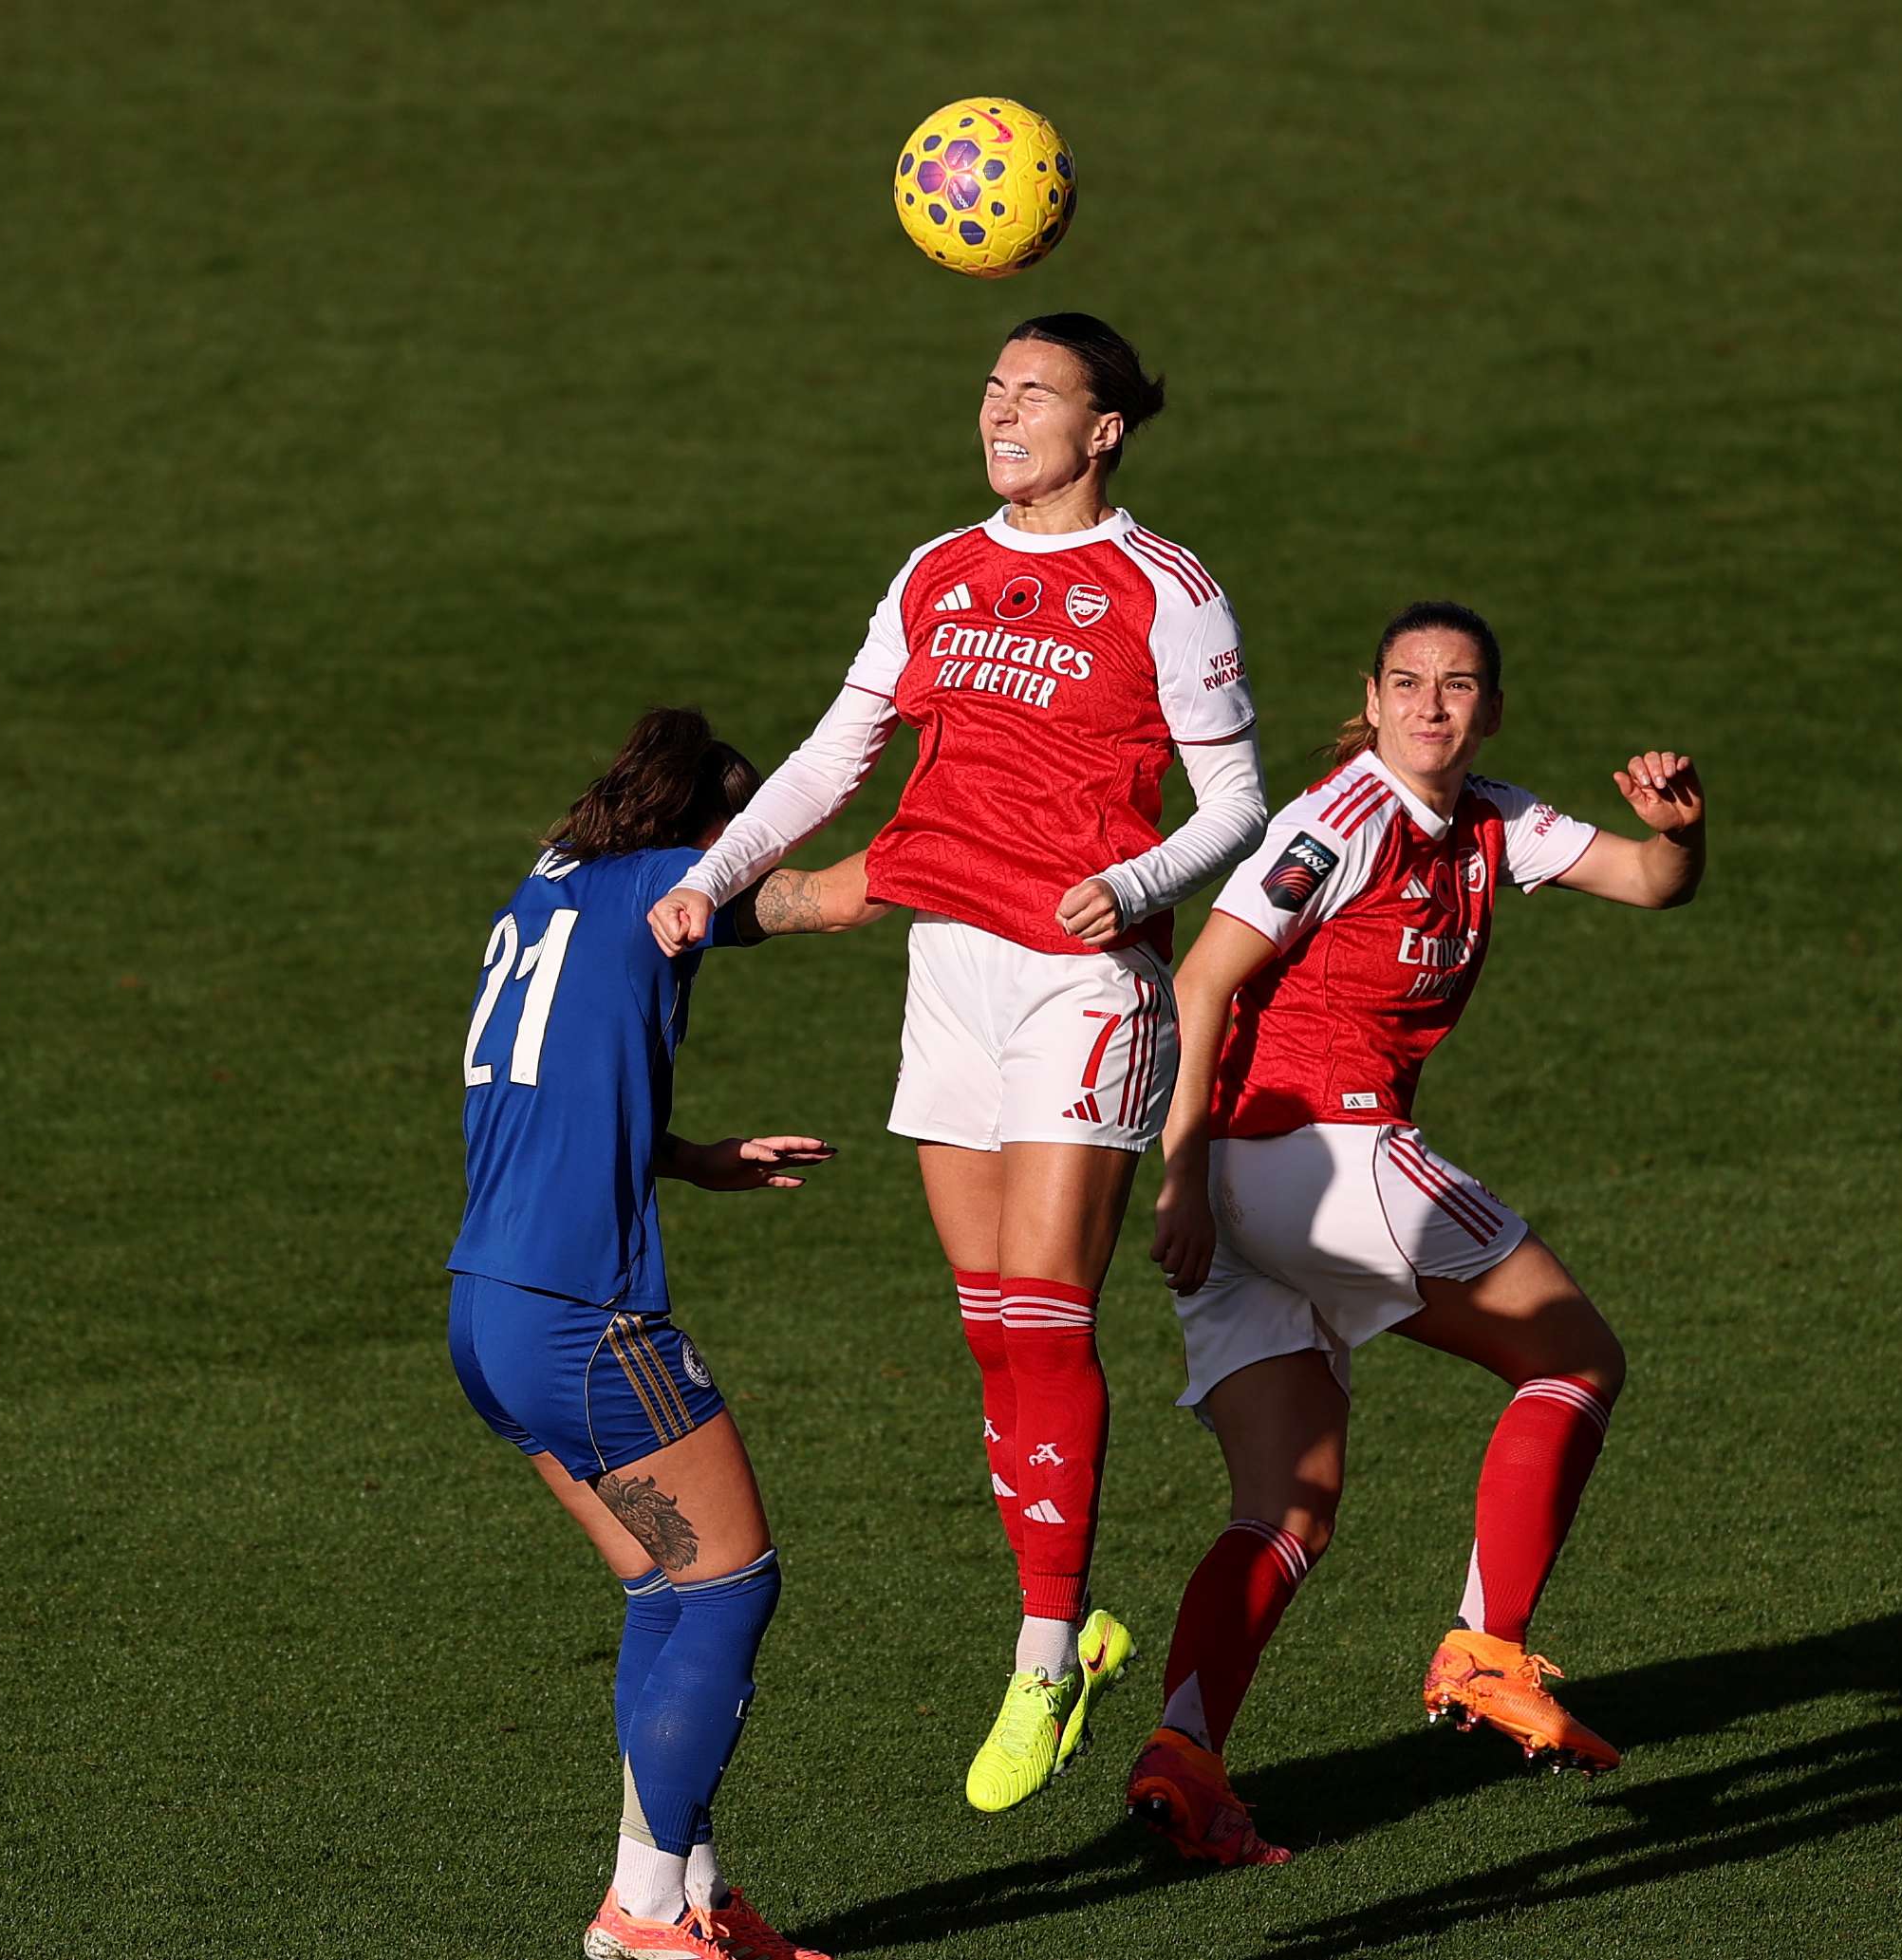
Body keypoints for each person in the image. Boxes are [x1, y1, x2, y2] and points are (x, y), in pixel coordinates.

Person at [645, 314, 1271, 1813]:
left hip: (1084, 980)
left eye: (1034, 393)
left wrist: (1135, 884)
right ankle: (1074, 1625)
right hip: (950, 973)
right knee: (991, 1327)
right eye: (992, 387)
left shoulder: (1166, 588)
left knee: (1048, 1310)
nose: (1001, 411)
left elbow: (1239, 799)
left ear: (1104, 428)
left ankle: (1044, 1652)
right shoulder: (936, 569)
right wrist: (713, 876)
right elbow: (833, 754)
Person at [1117, 601, 1710, 1866]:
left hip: (1254, 1192)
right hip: (1313, 1156)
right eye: (1408, 682)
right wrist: (1177, 1180)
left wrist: (1679, 831)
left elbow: (1651, 881)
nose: (1432, 705)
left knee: (1287, 1505)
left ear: (1490, 709)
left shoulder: (1495, 818)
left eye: (1458, 685)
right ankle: (1487, 1647)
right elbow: (1203, 979)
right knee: (1575, 1358)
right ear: (1373, 698)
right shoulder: (1338, 822)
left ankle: (1184, 1758)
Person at [450, 706, 881, 1960]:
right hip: (586, 1318)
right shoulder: (663, 888)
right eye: (735, 835)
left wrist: (690, 1158)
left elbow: (558, 1095)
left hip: (488, 1312)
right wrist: (992, 799)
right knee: (735, 1585)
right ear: (701, 829)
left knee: (662, 1589)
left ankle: (689, 1892)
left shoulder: (549, 890)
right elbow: (840, 897)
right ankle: (640, 1913)